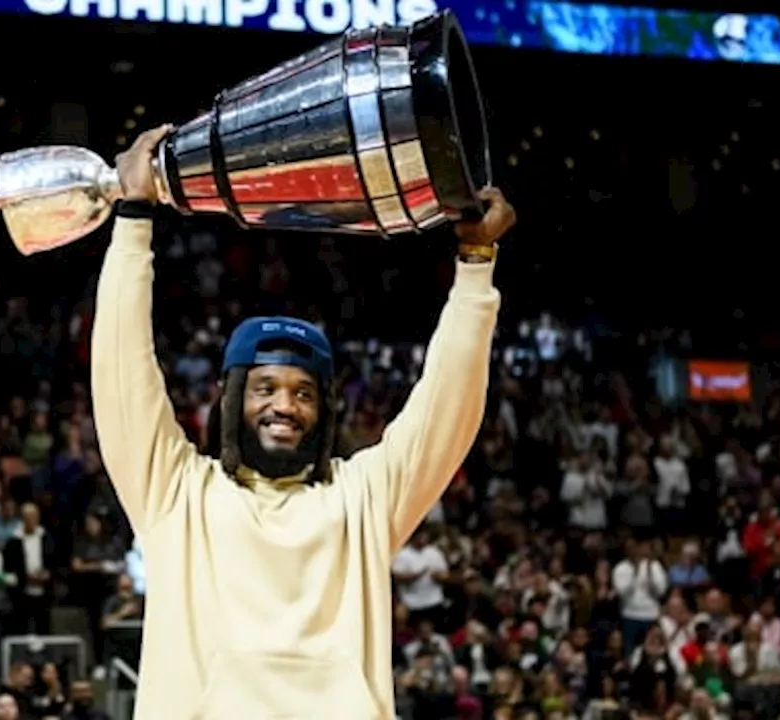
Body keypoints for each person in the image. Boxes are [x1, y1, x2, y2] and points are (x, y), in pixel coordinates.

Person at [91, 126, 516, 718]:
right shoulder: (177, 493)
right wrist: (134, 220)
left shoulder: (363, 501)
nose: (284, 406)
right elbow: (122, 372)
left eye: (303, 393)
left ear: (325, 410)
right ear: (231, 397)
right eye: (265, 387)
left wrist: (474, 270)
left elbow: (446, 413)